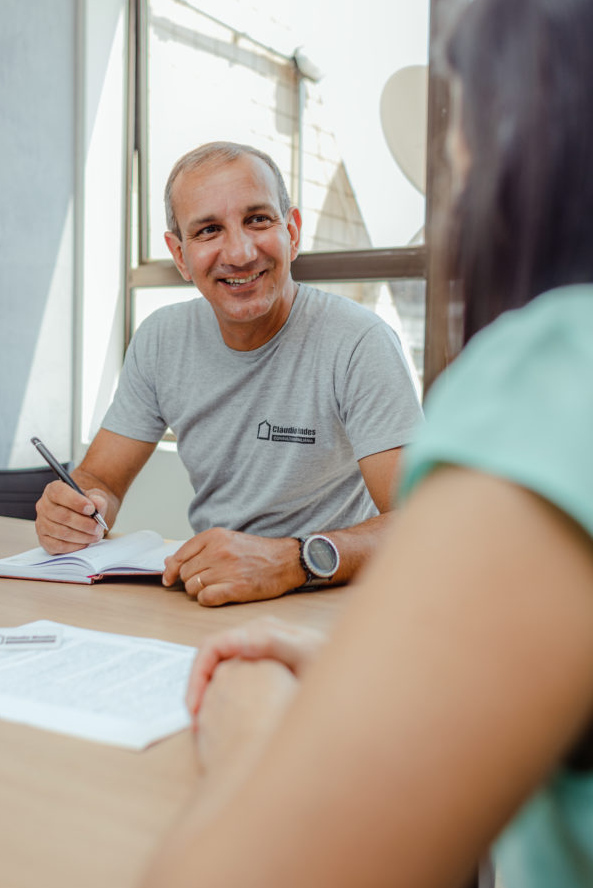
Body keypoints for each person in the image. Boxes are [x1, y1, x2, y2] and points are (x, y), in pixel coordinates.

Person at [127, 0, 593, 888]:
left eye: (461, 116)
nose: (451, 164)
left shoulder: (575, 377)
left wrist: (251, 703)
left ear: (533, 142)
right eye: (205, 231)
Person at [35, 142, 423, 606]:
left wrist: (294, 561)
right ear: (180, 255)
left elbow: (420, 521)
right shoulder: (161, 339)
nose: (238, 252)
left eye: (258, 219)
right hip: (209, 598)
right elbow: (101, 478)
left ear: (293, 232)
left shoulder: (359, 342)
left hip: (326, 603)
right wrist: (78, 510)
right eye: (209, 230)